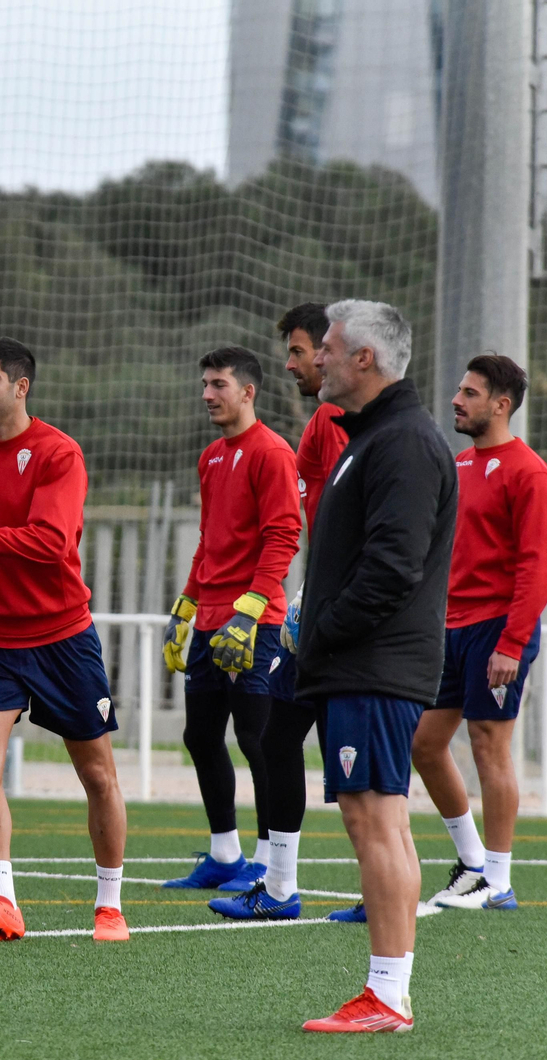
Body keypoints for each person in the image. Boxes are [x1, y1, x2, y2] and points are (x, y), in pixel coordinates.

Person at [0, 337, 129, 942]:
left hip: (62, 636)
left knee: (96, 775)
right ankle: (2, 899)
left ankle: (109, 904)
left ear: (20, 387)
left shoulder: (58, 453)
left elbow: (49, 543)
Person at [295, 300, 456, 1033]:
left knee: (377, 821)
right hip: (358, 663)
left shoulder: (402, 442)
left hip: (374, 663)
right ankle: (388, 992)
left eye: (327, 347)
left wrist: (323, 630)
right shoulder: (370, 436)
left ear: (365, 359)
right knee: (375, 821)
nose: (317, 357)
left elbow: (394, 565)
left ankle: (388, 997)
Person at [204, 303, 351, 920]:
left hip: (350, 620)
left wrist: (263, 602)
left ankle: (468, 868)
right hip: (312, 612)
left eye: (298, 351)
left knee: (361, 761)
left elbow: (298, 530)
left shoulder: (353, 427)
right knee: (274, 736)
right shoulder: (319, 424)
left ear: (331, 351)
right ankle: (276, 884)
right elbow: (319, 522)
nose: (293, 363)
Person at [412, 354, 547, 911]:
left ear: (501, 405)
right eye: (459, 389)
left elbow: (539, 567)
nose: (456, 399)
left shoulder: (529, 472)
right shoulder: (458, 466)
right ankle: (473, 863)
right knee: (424, 744)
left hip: (498, 630)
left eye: (470, 393)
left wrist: (512, 644)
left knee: (489, 747)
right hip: (448, 628)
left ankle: (498, 881)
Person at [160, 347, 301, 909]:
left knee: (257, 741)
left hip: (254, 623)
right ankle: (225, 857)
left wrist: (250, 608)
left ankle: (268, 864)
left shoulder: (272, 452)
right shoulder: (212, 456)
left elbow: (283, 536)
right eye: (204, 384)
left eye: (218, 384)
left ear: (248, 391)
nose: (207, 394)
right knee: (200, 736)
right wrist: (186, 606)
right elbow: (209, 540)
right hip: (213, 621)